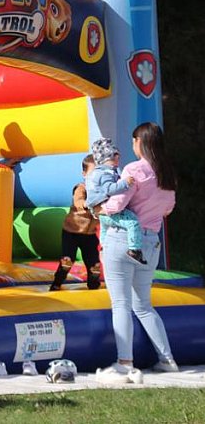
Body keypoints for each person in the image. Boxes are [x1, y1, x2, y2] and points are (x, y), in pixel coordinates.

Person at [95, 122, 178, 384]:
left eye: (133, 140)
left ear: (139, 142)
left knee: (120, 303)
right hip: (151, 241)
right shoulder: (167, 172)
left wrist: (100, 206)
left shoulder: (133, 169)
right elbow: (168, 209)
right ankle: (167, 359)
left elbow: (116, 204)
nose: (132, 145)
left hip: (122, 241)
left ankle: (124, 362)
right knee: (143, 305)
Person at [86, 137, 144, 264]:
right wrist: (125, 183)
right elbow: (109, 189)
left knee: (105, 229)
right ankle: (134, 249)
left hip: (101, 213)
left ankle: (104, 248)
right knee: (132, 222)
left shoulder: (97, 172)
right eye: (115, 156)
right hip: (107, 210)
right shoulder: (106, 173)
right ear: (107, 159)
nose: (118, 158)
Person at [49, 154, 102, 291]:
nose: (96, 178)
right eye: (92, 174)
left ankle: (93, 286)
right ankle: (57, 283)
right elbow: (78, 200)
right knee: (67, 260)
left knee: (94, 265)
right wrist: (85, 204)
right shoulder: (81, 188)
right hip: (71, 232)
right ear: (84, 174)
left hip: (89, 234)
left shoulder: (102, 191)